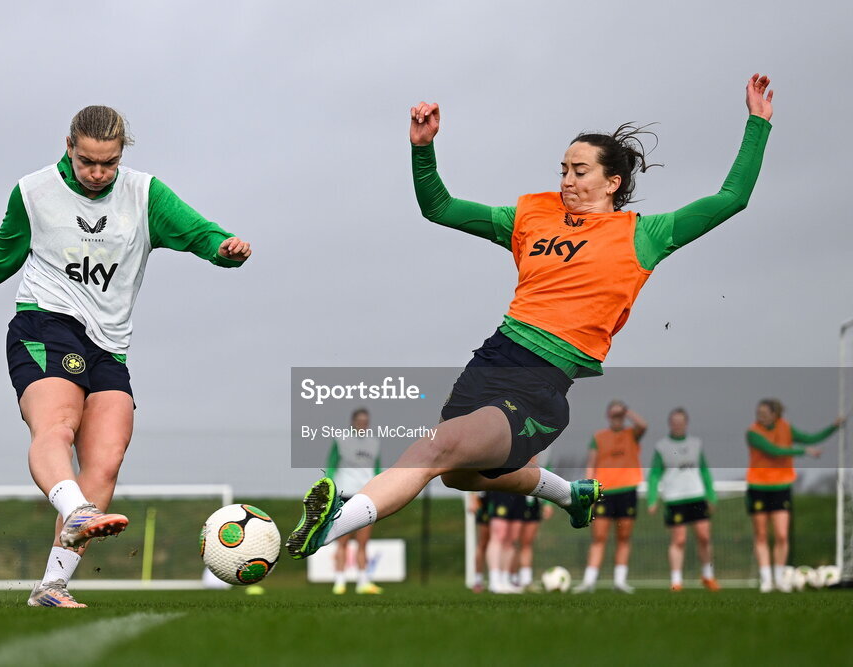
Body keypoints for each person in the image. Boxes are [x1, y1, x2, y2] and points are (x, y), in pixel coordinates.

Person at [286, 75, 776, 565]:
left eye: (580, 171)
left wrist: (757, 124)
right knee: (457, 473)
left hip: (541, 382)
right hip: (494, 358)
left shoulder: (645, 235)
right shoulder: (531, 215)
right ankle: (569, 495)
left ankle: (333, 524)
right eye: (563, 169)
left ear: (613, 182)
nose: (566, 180)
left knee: (433, 448)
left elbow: (731, 198)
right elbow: (439, 208)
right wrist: (422, 149)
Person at [0, 105, 251, 607]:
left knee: (106, 459)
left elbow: (197, 231)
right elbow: (2, 252)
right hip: (45, 321)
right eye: (88, 162)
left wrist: (221, 248)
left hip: (109, 343)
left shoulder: (144, 195)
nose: (98, 173)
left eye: (109, 163)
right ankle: (76, 510)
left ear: (122, 153)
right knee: (56, 426)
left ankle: (52, 586)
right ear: (69, 147)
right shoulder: (34, 192)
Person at [746, 398, 841, 593]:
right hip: (758, 486)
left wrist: (833, 427)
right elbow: (773, 451)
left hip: (781, 487)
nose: (760, 417)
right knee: (762, 534)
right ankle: (766, 579)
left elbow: (811, 438)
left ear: (775, 414)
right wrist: (803, 451)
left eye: (764, 413)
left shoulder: (786, 428)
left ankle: (780, 578)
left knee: (781, 534)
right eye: (758, 414)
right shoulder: (752, 432)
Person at [573, 401, 646, 593]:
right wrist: (588, 490)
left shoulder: (631, 434)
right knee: (599, 537)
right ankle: (589, 582)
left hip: (627, 490)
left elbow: (643, 426)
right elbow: (591, 463)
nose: (617, 418)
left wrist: (627, 410)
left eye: (620, 414)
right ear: (608, 416)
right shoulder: (599, 437)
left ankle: (620, 581)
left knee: (624, 537)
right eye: (614, 414)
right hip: (604, 491)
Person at [647, 408, 719, 592]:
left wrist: (711, 495)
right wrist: (652, 498)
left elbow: (704, 470)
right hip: (674, 498)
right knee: (679, 539)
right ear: (670, 424)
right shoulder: (661, 446)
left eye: (681, 422)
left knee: (704, 536)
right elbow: (654, 474)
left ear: (686, 423)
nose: (677, 425)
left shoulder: (696, 444)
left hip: (697, 495)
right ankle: (676, 581)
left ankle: (708, 576)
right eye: (674, 422)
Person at [327, 408, 383, 595]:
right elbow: (331, 466)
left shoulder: (374, 442)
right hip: (344, 495)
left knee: (363, 542)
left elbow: (376, 469)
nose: (362, 424)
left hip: (366, 496)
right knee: (342, 541)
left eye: (365, 421)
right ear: (353, 421)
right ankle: (340, 582)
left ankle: (363, 582)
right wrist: (329, 490)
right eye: (359, 420)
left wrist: (379, 491)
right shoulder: (340, 440)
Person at [467, 491, 491, 593]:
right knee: (483, 543)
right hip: (486, 499)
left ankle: (507, 578)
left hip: (503, 496)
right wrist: (473, 499)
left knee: (507, 542)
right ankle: (478, 580)